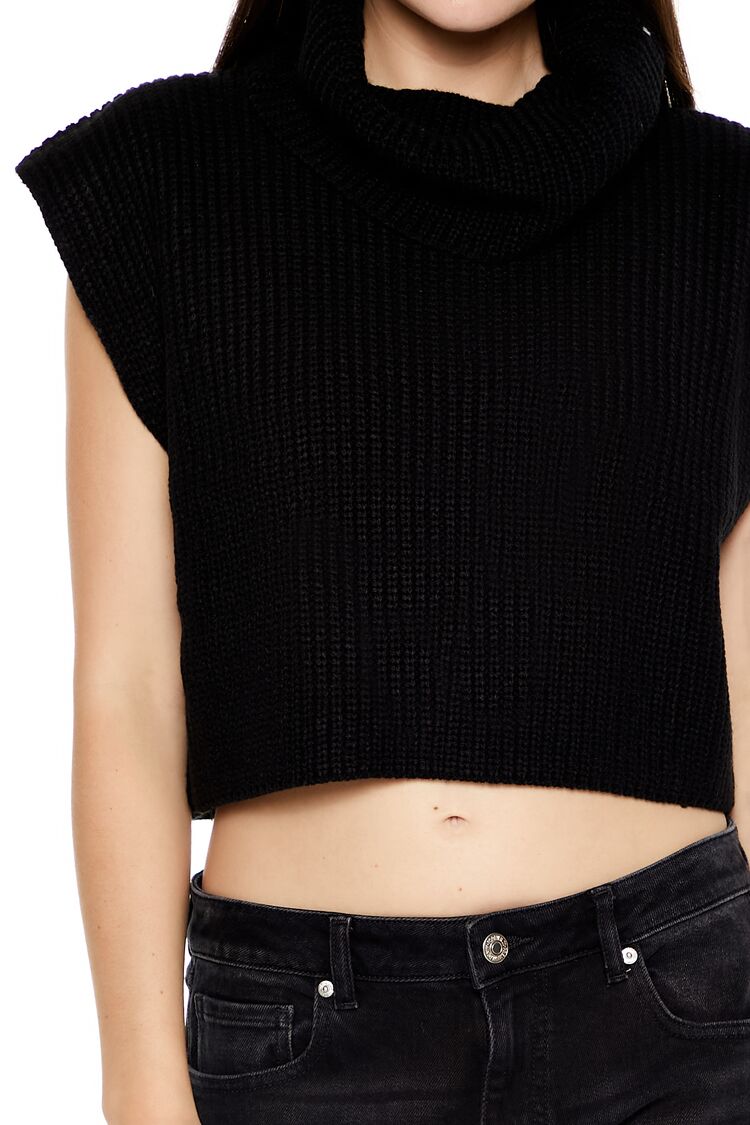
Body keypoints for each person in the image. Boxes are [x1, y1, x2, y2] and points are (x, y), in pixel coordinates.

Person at [14, 0, 750, 1120]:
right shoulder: (161, 183)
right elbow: (126, 689)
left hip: (677, 1032)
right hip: (307, 1047)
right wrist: (141, 1086)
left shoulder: (724, 202)